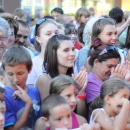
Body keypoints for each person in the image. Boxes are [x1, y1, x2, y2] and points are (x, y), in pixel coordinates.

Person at [35, 76, 101, 130]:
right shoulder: (41, 123)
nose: (74, 100)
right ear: (54, 96)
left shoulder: (81, 121)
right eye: (68, 96)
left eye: (75, 95)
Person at [2, 46, 42, 130]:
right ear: (4, 71)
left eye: (20, 74)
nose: (15, 80)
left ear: (30, 69)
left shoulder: (35, 91)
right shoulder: (4, 96)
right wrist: (28, 104)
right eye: (10, 74)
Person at [85, 40, 120, 120]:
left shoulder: (109, 77)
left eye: (115, 66)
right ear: (96, 62)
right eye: (109, 66)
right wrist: (116, 84)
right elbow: (103, 107)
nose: (112, 71)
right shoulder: (90, 82)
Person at [26, 18, 59, 86]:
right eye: (48, 34)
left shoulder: (67, 59)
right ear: (38, 39)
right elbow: (32, 92)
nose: (54, 36)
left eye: (56, 33)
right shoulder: (33, 64)